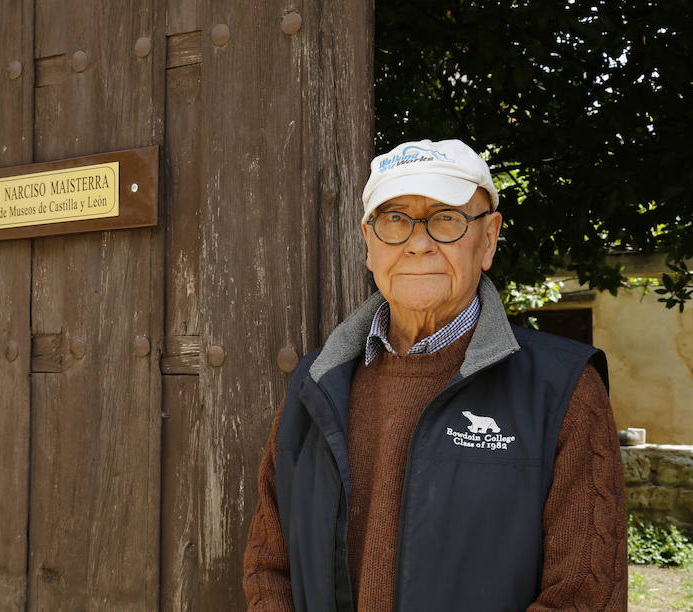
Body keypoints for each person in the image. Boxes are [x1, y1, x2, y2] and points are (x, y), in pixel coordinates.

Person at [243, 139, 627, 611]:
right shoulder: (315, 382)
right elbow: (269, 568)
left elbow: (583, 598)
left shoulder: (562, 388)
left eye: (446, 218)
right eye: (395, 219)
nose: (418, 243)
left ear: (488, 239)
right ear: (369, 244)